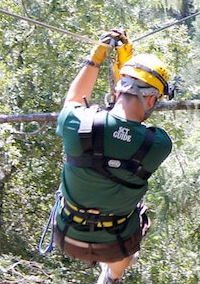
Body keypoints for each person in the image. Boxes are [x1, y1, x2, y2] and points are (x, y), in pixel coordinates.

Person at [54, 28, 174, 284]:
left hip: (67, 235)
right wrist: (124, 61)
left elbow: (74, 99)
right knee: (139, 212)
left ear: (118, 91)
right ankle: (112, 277)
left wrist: (94, 59)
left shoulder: (76, 123)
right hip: (116, 244)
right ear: (152, 100)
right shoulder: (158, 144)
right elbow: (127, 130)